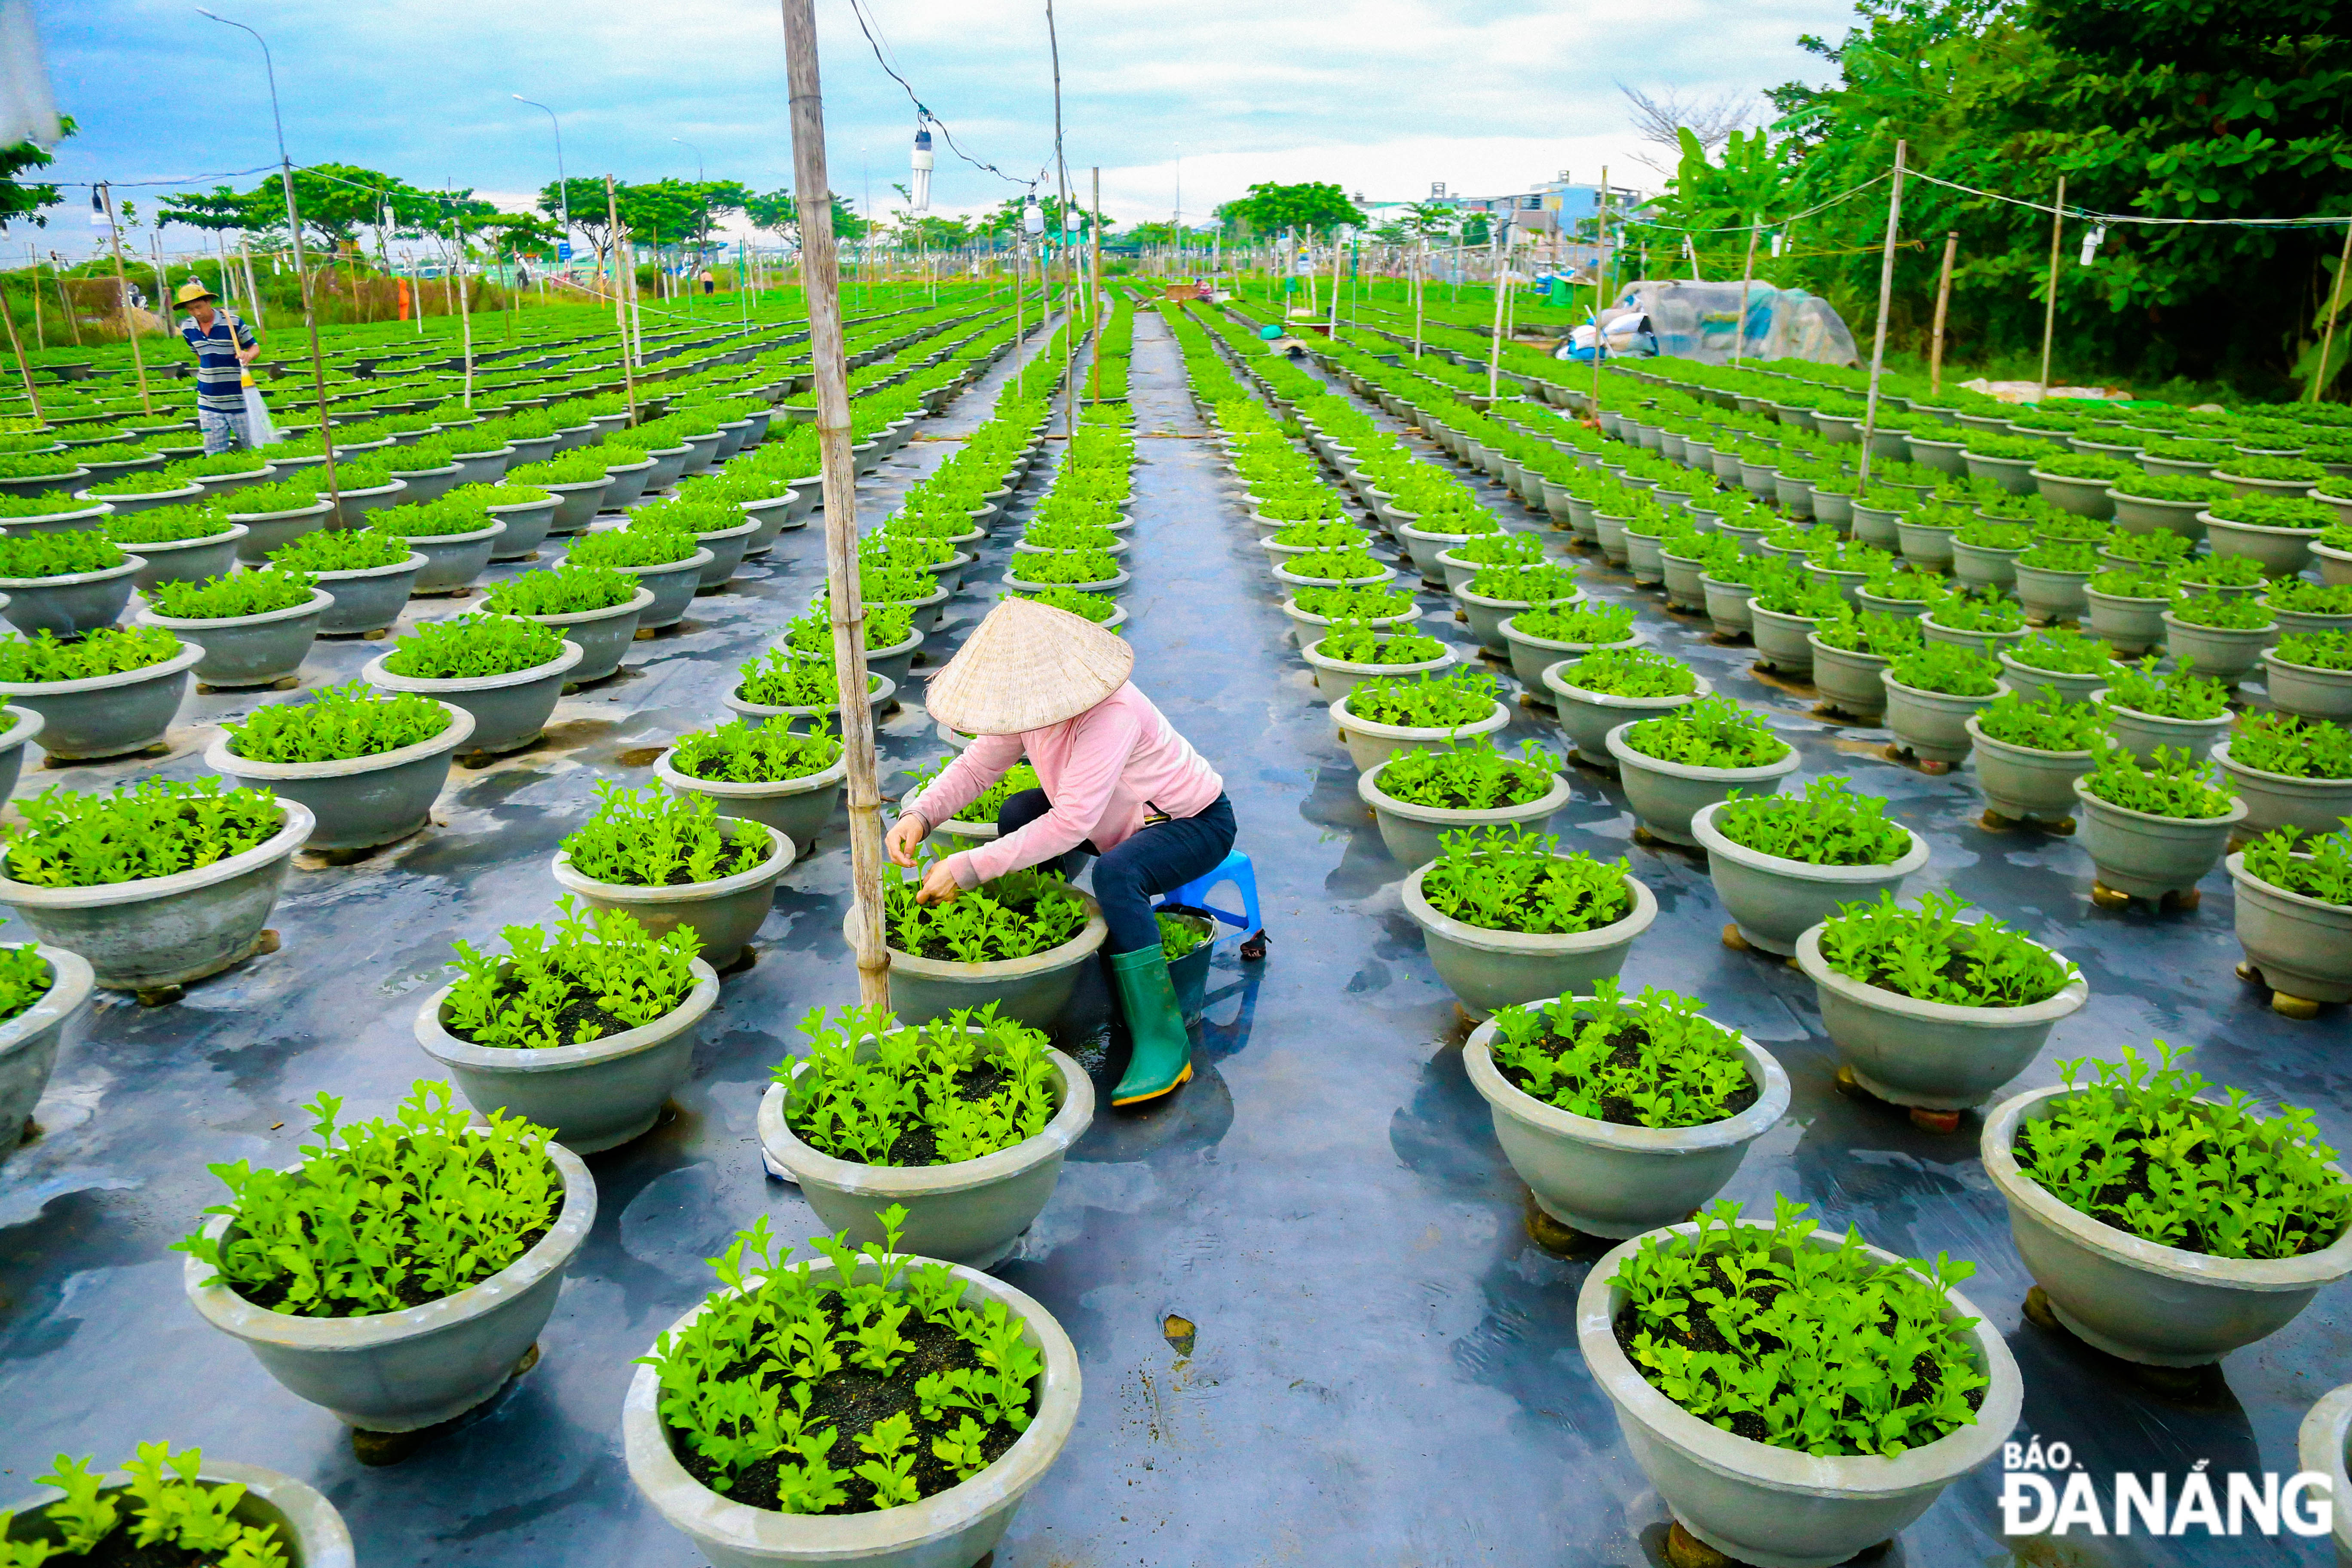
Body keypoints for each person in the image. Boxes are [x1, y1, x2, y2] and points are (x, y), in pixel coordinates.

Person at [889, 598, 1235, 1106]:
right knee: (1017, 813)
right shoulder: (1031, 707)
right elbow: (976, 768)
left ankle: (1163, 1040)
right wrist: (920, 815)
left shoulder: (1109, 713)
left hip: (1191, 823)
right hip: (1114, 817)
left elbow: (1072, 821)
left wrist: (966, 868)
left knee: (1117, 875)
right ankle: (1056, 957)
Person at [174, 279, 260, 455]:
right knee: (214, 452)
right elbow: (199, 356)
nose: (196, 313)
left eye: (199, 307)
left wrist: (248, 356)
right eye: (191, 309)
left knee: (255, 449)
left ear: (208, 302)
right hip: (208, 399)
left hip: (239, 397)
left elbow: (255, 347)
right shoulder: (187, 328)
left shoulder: (233, 322)